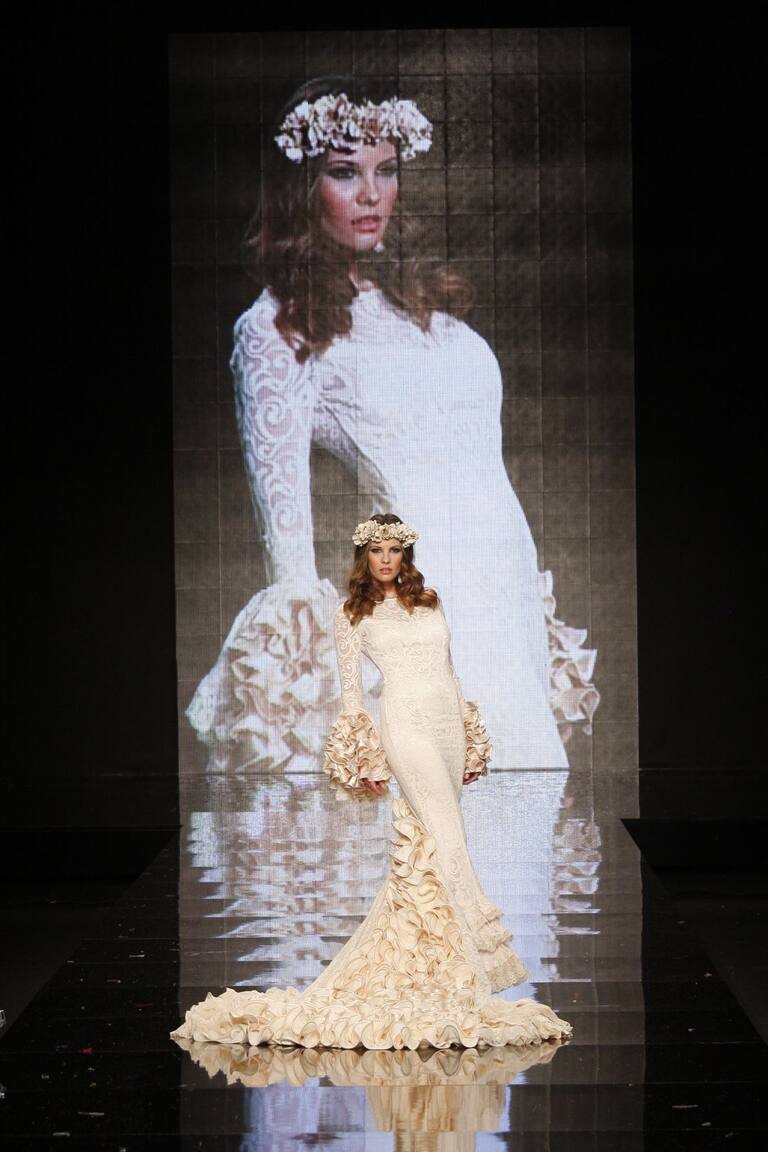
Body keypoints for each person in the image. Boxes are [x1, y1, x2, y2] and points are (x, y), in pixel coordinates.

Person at [185, 76, 600, 777]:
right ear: (302, 187)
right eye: (345, 173)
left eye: (387, 170)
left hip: (506, 604)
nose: (372, 194)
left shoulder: (416, 301)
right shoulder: (276, 329)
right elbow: (289, 559)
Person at [171, 515, 573, 1049]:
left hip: (448, 726)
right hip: (405, 725)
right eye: (377, 550)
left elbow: (451, 673)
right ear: (365, 556)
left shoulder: (430, 601)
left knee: (427, 847)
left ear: (405, 555)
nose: (386, 559)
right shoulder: (352, 613)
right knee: (448, 835)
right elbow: (352, 696)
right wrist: (364, 754)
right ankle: (481, 957)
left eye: (394, 549)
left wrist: (471, 736)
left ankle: (428, 965)